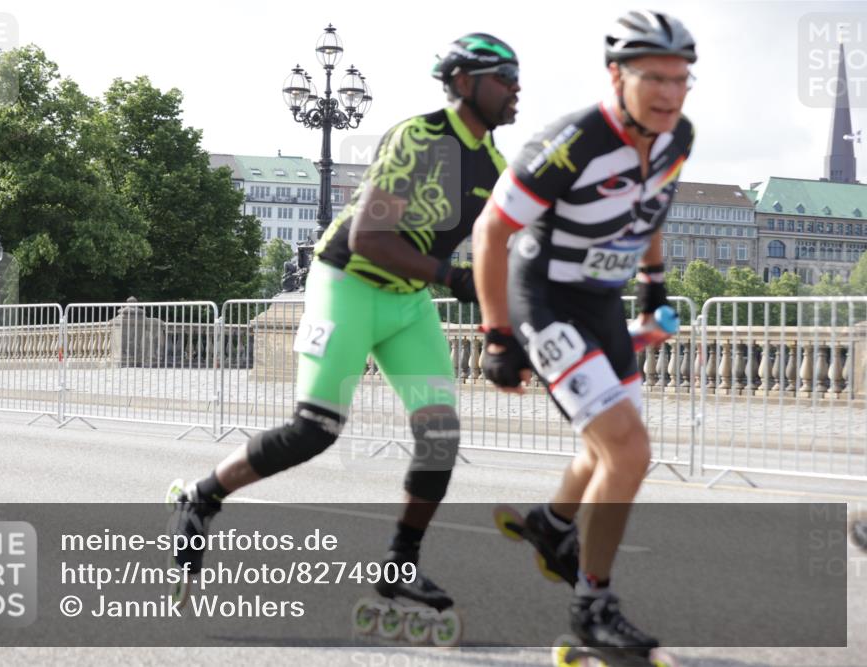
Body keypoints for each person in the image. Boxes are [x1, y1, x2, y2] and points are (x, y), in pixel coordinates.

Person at [169, 33, 521, 625]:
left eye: (516, 78)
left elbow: (500, 255)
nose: (516, 89)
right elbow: (370, 239)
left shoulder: (494, 166)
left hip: (407, 302)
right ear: (465, 82)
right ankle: (201, 497)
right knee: (315, 431)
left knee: (440, 436)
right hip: (349, 283)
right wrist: (455, 281)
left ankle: (399, 564)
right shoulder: (417, 138)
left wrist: (503, 330)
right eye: (504, 78)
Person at [473, 9, 696, 657]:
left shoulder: (678, 135)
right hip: (543, 297)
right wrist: (497, 336)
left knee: (608, 447)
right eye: (654, 77)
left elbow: (655, 205)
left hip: (603, 300)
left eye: (682, 79)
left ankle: (551, 524)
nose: (669, 93)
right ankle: (591, 607)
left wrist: (654, 284)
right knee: (628, 450)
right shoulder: (572, 139)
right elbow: (492, 231)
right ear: (616, 75)